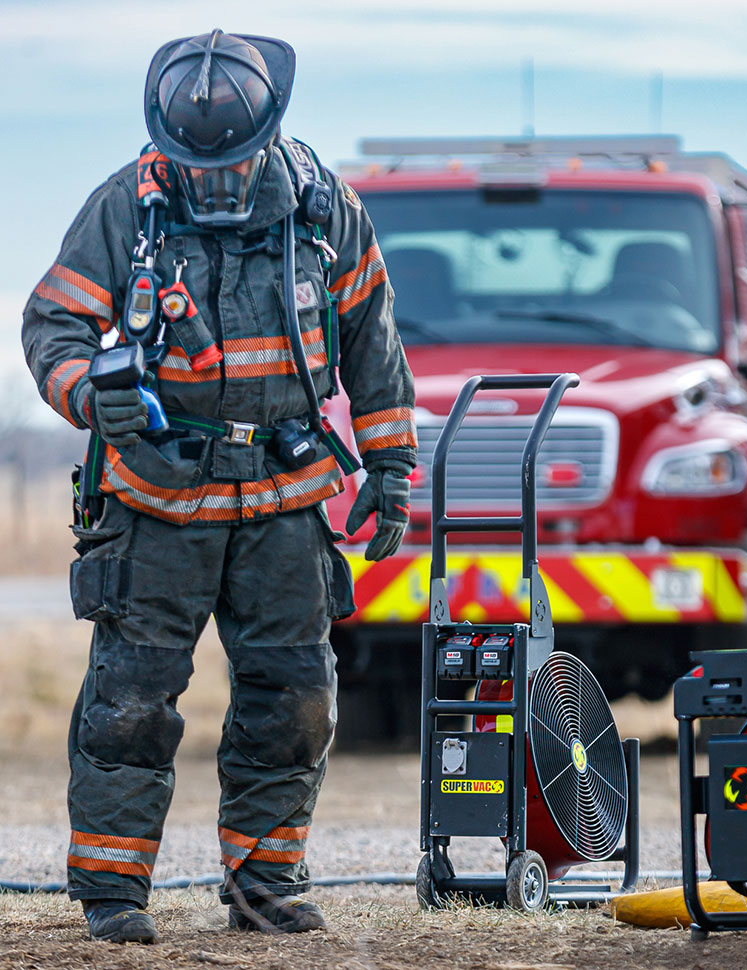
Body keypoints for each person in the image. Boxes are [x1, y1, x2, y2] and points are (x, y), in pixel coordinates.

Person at [21, 30, 416, 944]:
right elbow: (52, 327)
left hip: (284, 497)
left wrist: (392, 472)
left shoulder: (325, 212)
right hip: (155, 502)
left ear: (269, 135)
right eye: (194, 165)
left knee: (295, 696)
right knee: (129, 699)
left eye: (232, 164)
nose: (214, 181)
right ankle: (114, 894)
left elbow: (375, 351)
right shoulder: (126, 206)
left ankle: (264, 886)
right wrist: (88, 395)